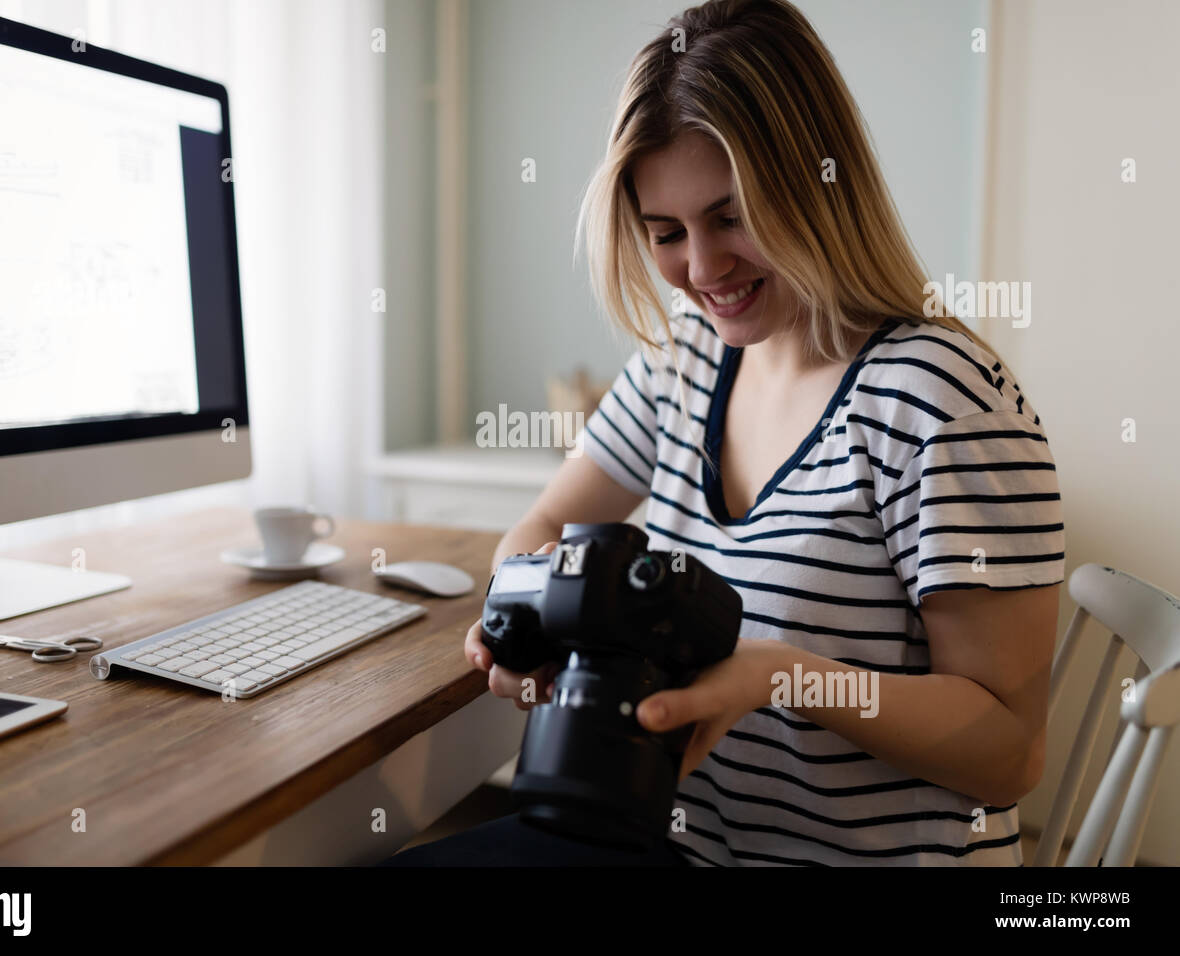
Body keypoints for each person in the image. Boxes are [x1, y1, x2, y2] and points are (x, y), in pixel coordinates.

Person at [385, 0, 1063, 867]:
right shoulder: (687, 359)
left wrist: (780, 675)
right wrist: (530, 614)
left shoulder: (939, 400)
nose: (702, 272)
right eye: (666, 233)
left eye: (733, 217)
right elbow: (541, 531)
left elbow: (1011, 753)